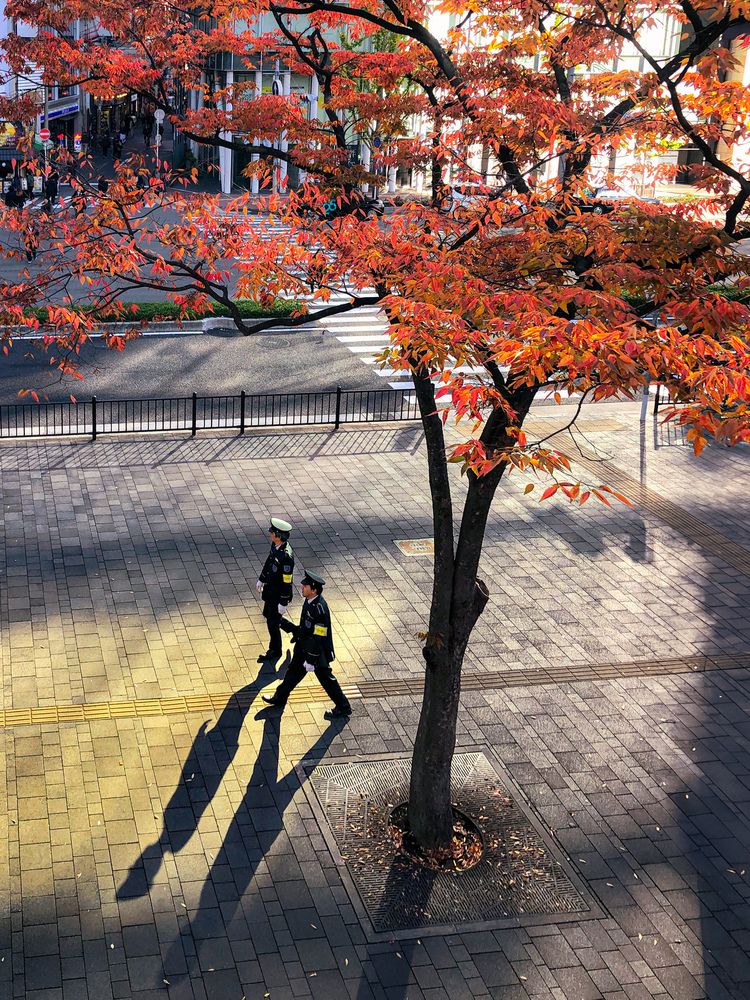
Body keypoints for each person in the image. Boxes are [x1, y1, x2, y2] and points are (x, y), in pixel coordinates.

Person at [262, 571, 352, 719]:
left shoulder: (319, 610)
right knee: (292, 674)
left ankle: (344, 707)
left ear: (314, 589)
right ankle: (280, 697)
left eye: (305, 585)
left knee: (326, 680)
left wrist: (311, 660)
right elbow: (306, 627)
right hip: (304, 647)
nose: (302, 586)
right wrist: (291, 629)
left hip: (316, 654)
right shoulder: (309, 600)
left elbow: (319, 638)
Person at [255, 518, 295, 663]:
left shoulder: (286, 557)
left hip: (278, 595)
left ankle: (275, 650)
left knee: (272, 622)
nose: (270, 534)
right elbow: (269, 562)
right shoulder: (275, 545)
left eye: (272, 532)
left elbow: (287, 582)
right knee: (269, 615)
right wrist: (262, 578)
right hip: (271, 590)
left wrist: (283, 602)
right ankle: (294, 630)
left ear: (278, 535)